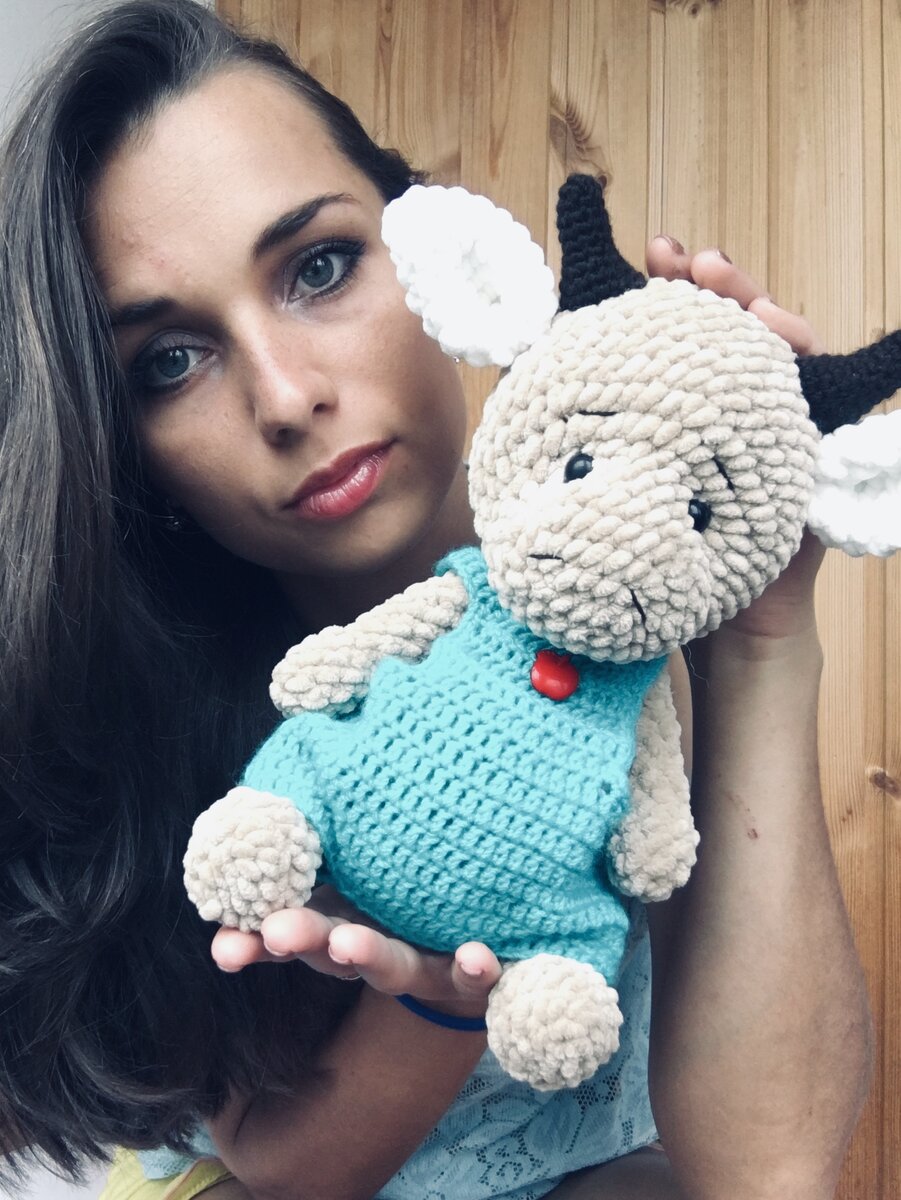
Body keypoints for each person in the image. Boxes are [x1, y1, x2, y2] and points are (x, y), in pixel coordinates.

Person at [0, 2, 872, 1198]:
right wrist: (443, 1002)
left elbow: (769, 1169)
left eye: (318, 268)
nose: (286, 396)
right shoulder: (147, 721)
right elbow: (274, 1165)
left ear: (433, 252)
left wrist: (760, 640)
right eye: (168, 360)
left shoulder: (625, 617)